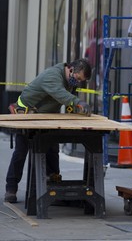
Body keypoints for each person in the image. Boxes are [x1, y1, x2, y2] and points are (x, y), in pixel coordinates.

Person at [4, 58, 92, 203]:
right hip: (26, 116)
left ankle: (53, 186)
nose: (78, 82)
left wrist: (77, 112)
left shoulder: (69, 80)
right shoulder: (53, 76)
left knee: (52, 150)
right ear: (70, 69)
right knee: (21, 152)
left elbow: (68, 99)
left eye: (81, 80)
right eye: (77, 78)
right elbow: (60, 94)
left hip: (46, 118)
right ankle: (11, 188)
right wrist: (78, 102)